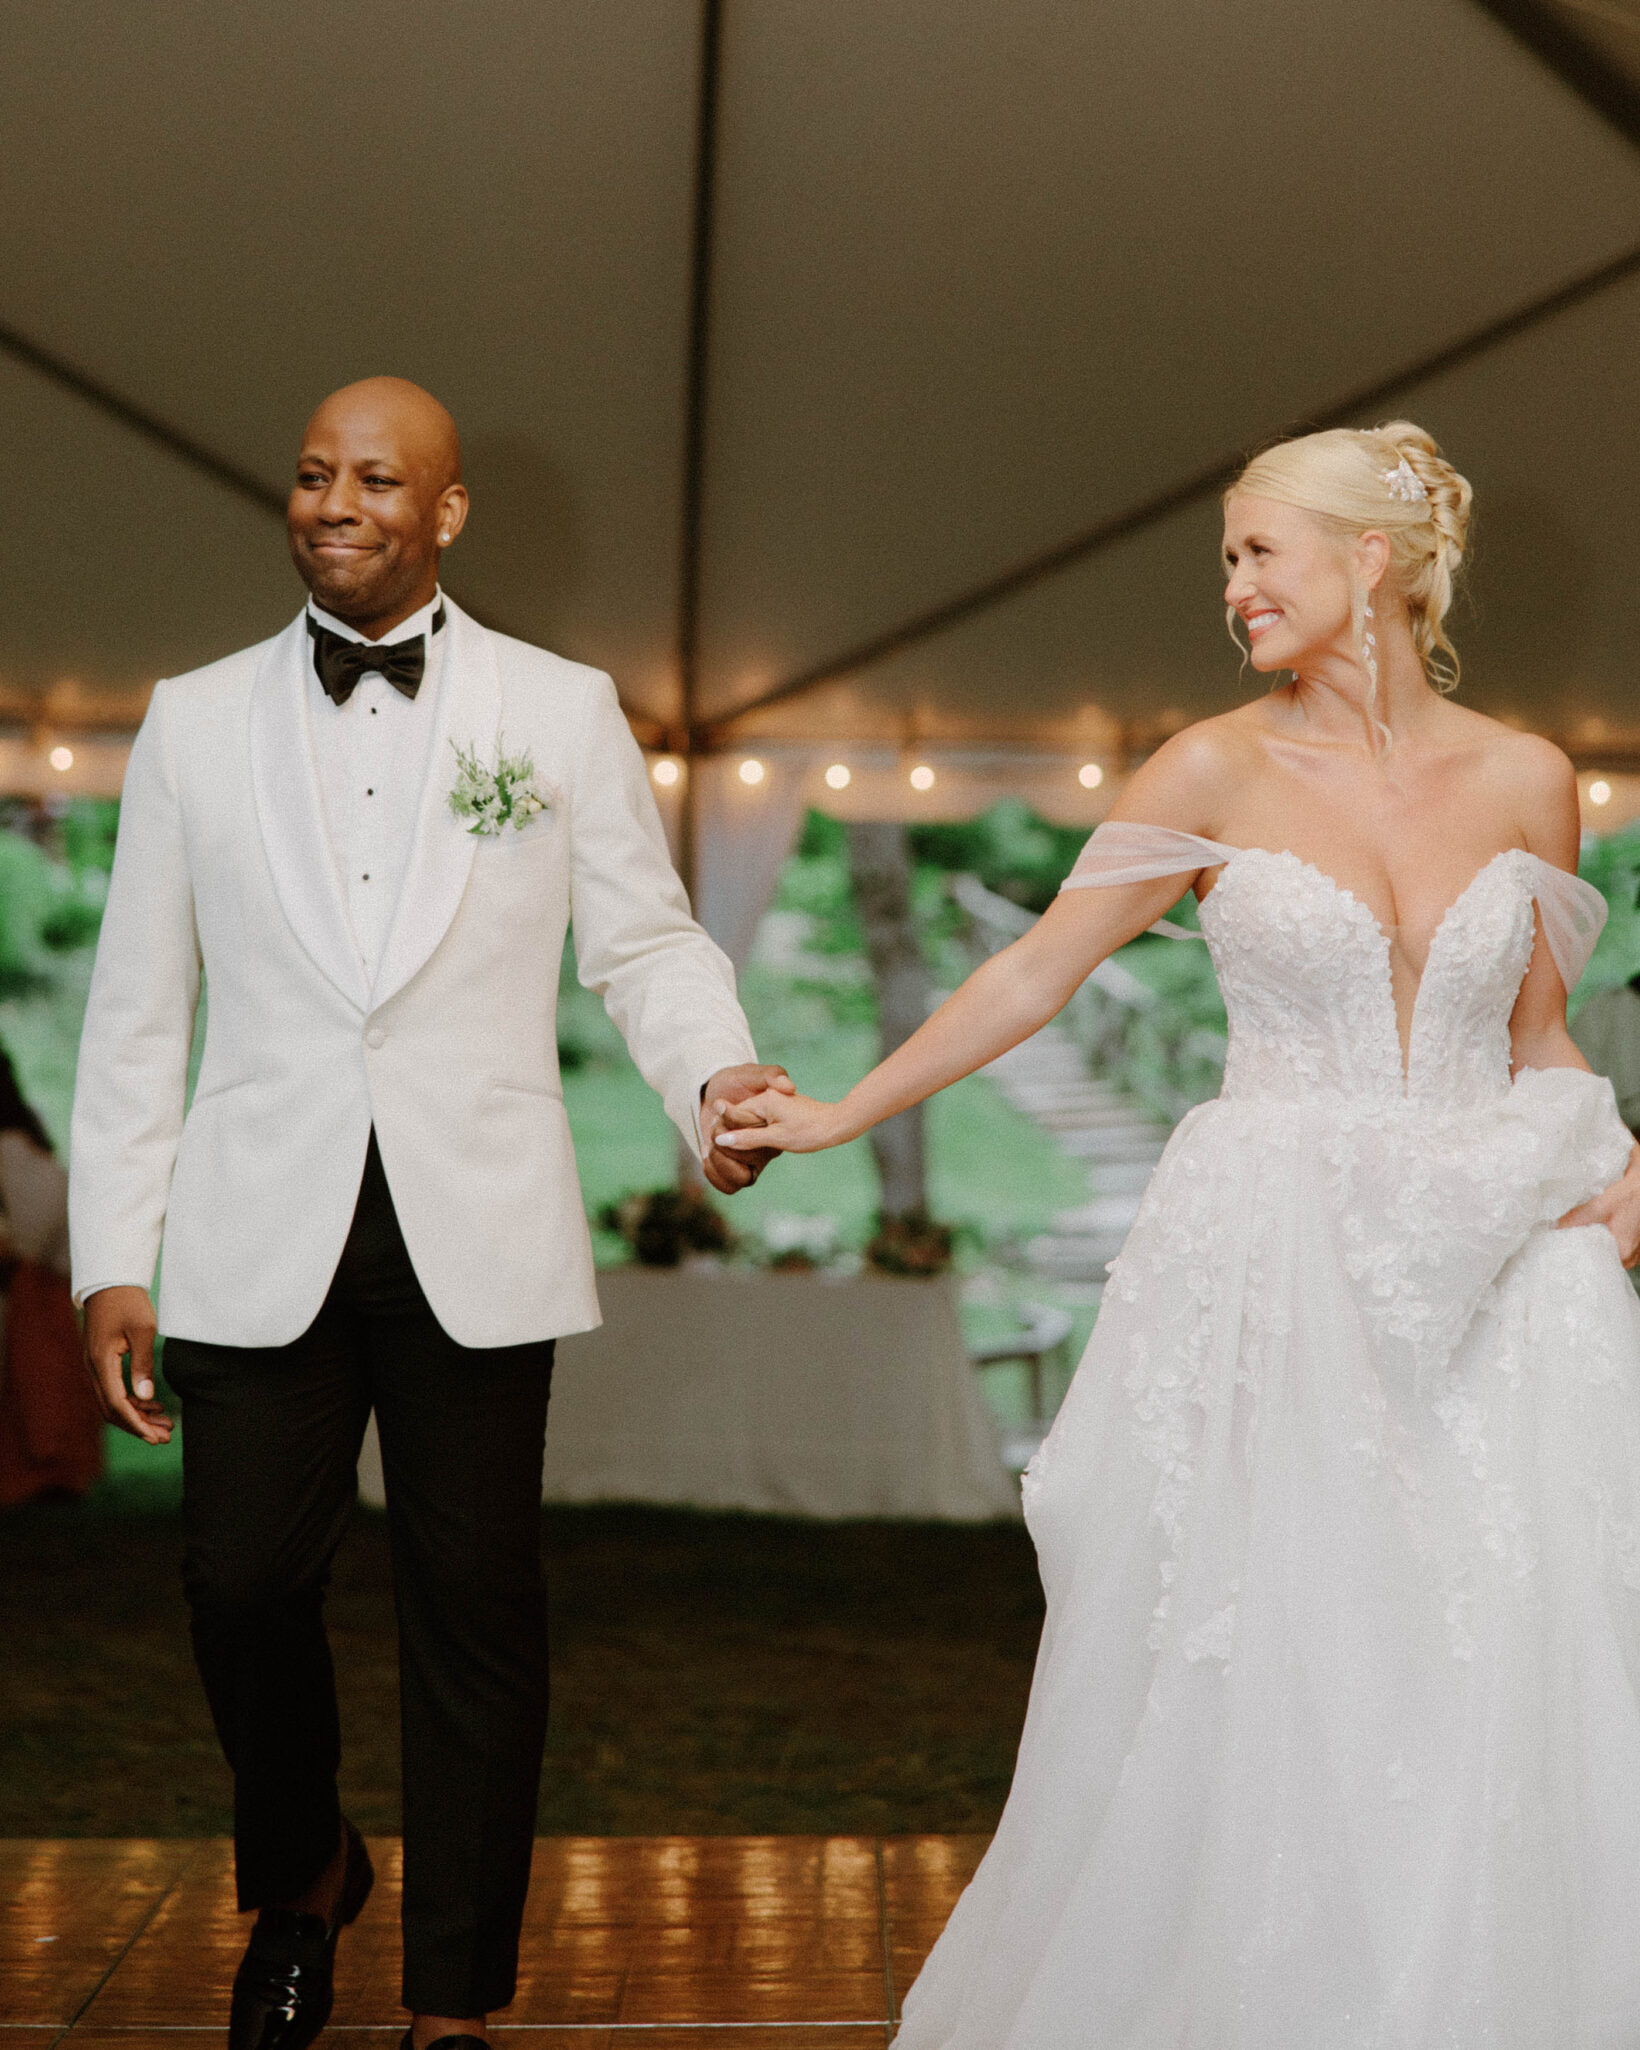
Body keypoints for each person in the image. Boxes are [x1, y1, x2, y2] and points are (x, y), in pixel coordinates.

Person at [718, 423, 1640, 2047]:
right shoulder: (1209, 770)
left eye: (1256, 553)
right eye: (1226, 558)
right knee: (1281, 1648)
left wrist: (1623, 1160)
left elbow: (1544, 1037)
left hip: (1489, 1271)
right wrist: (839, 1113)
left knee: (1476, 1644)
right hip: (1279, 1271)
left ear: (1371, 563)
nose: (1231, 591)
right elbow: (1036, 971)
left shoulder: (1532, 778)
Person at [69, 377, 790, 2050]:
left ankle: (455, 2001)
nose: (334, 501)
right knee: (239, 1590)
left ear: (447, 511)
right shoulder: (191, 718)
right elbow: (135, 1006)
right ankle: (306, 1868)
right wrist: (117, 1255)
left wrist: (715, 1085)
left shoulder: (560, 709)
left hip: (475, 1226)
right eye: (312, 471)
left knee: (477, 1616)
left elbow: (645, 943)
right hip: (255, 1230)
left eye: (377, 479)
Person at [0, 1046, 99, 1507]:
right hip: (36, 1294)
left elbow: (28, 1238)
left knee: (37, 1398)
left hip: (30, 1299)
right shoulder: (26, 1151)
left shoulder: (12, 1152)